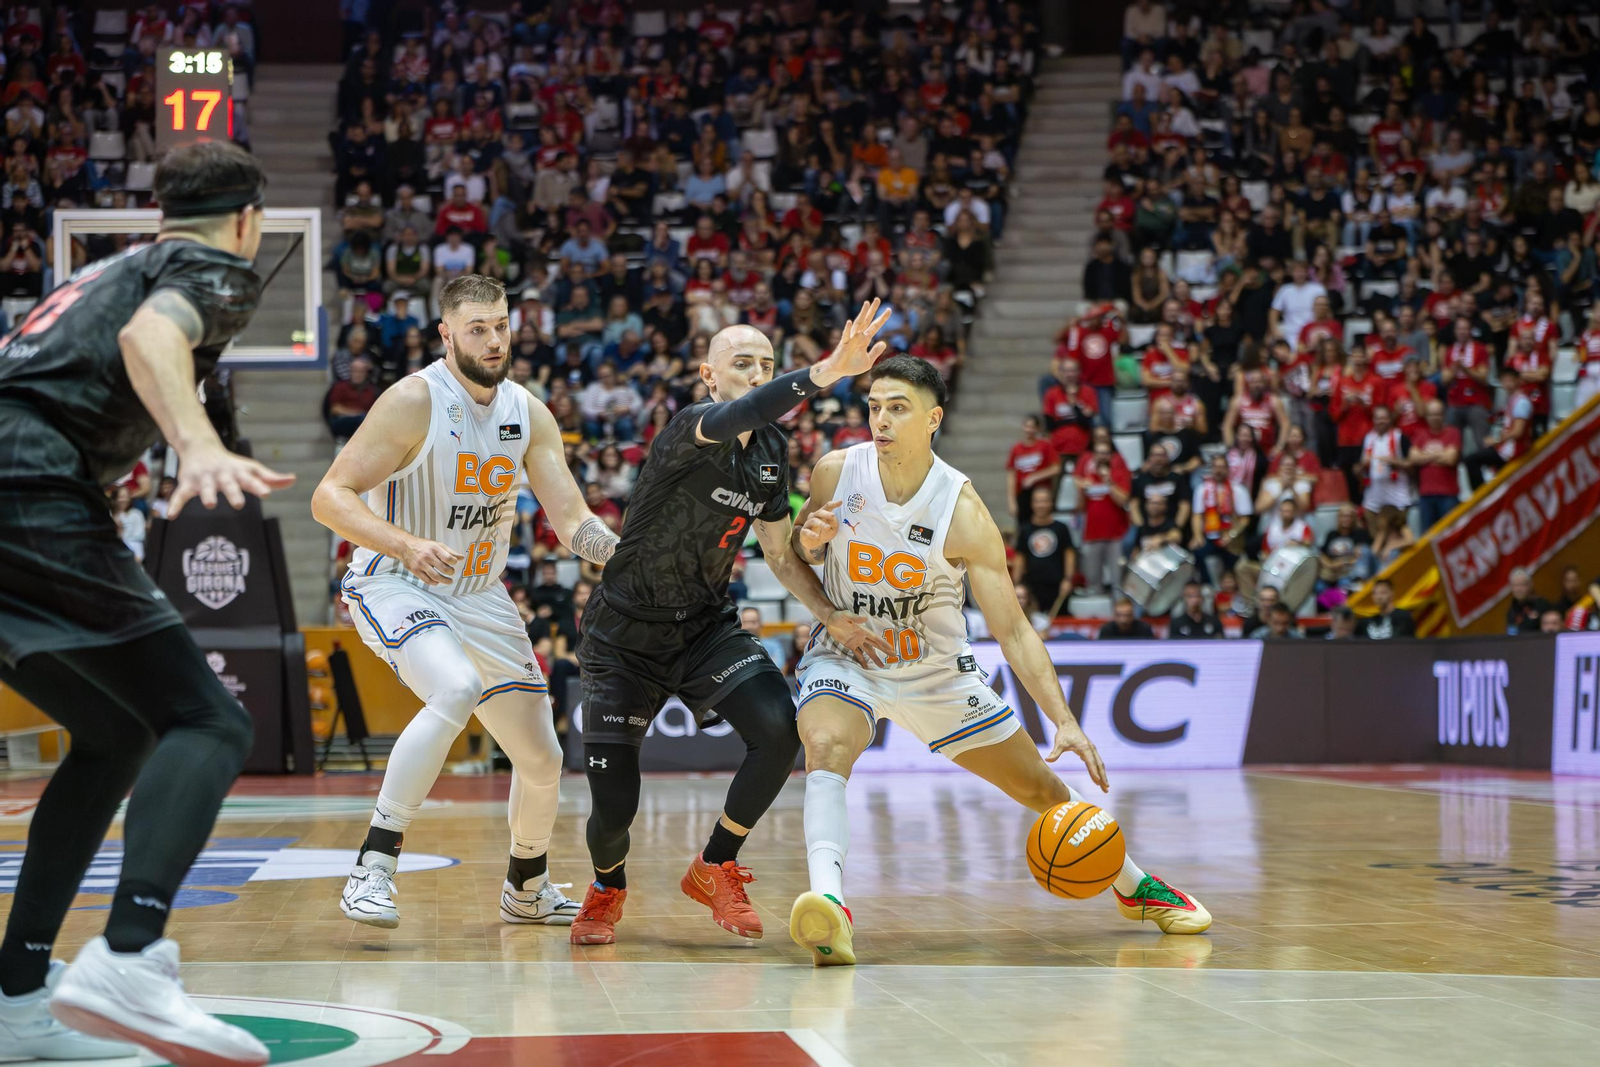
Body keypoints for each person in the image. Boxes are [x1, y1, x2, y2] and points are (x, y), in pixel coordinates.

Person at [0, 142, 285, 1065]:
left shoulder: (112, 267)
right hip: (27, 490)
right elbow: (150, 340)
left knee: (118, 733)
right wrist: (195, 447)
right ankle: (129, 953)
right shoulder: (211, 267)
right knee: (207, 722)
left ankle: (14, 997)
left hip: (22, 489)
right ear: (248, 221)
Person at [786, 355, 1207, 966]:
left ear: (933, 419)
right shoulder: (834, 471)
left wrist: (1062, 719)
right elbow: (795, 551)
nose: (880, 418)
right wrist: (810, 542)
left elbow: (1012, 630)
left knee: (1042, 788)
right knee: (825, 747)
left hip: (934, 672)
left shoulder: (960, 508)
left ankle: (1134, 886)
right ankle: (830, 904)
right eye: (874, 405)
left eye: (897, 407)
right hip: (849, 655)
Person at [570, 302, 896, 946]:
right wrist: (824, 371)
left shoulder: (772, 453)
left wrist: (831, 610)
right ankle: (608, 884)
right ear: (709, 376)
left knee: (780, 729)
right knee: (614, 812)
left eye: (766, 365)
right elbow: (748, 410)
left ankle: (715, 864)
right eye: (741, 364)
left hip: (704, 628)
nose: (755, 374)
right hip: (623, 638)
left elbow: (780, 554)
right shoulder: (694, 426)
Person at [315, 275, 621, 931]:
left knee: (541, 756)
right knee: (453, 688)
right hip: (395, 580)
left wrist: (624, 552)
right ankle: (372, 864)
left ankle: (527, 886)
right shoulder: (412, 400)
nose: (492, 339)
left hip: (479, 593)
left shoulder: (528, 411)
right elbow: (329, 497)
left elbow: (573, 521)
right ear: (446, 333)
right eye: (476, 328)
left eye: (501, 325)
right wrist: (403, 542)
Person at [1012, 483, 1076, 619]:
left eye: (1044, 500)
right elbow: (1020, 557)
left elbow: (1069, 555)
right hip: (1032, 586)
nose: (1041, 504)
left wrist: (1068, 579)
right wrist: (1016, 583)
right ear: (1032, 504)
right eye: (1037, 501)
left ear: (1051, 503)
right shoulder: (1025, 529)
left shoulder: (1061, 528)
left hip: (1057, 585)